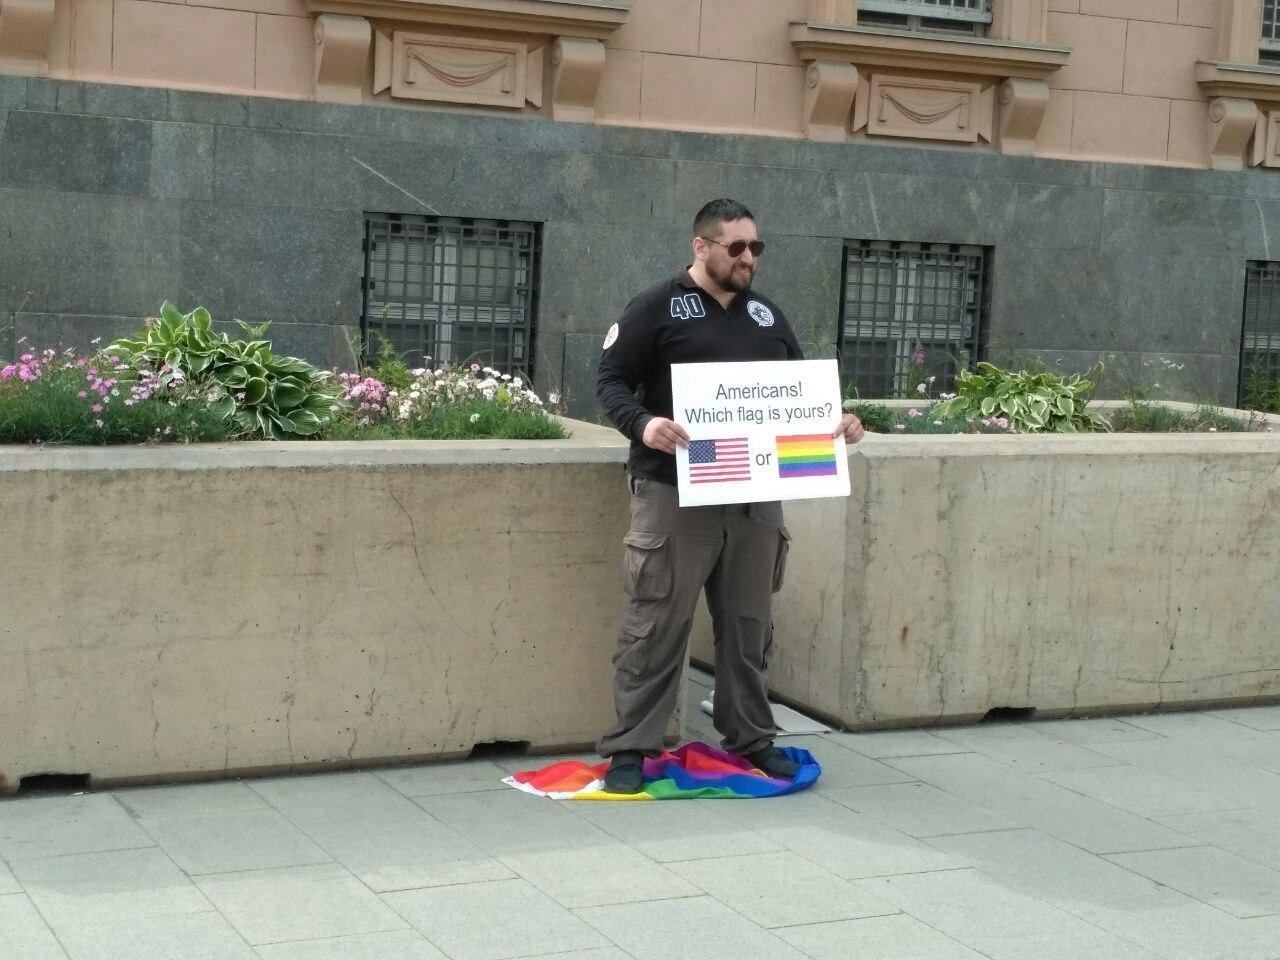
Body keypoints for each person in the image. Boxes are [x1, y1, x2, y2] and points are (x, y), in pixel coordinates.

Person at [594, 198, 865, 793]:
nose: (749, 258)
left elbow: (801, 395)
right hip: (675, 487)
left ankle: (750, 738)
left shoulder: (767, 317)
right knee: (658, 621)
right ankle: (632, 748)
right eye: (736, 247)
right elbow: (610, 380)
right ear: (701, 247)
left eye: (756, 247)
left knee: (749, 625)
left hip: (756, 492)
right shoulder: (655, 307)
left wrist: (838, 422)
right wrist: (644, 424)